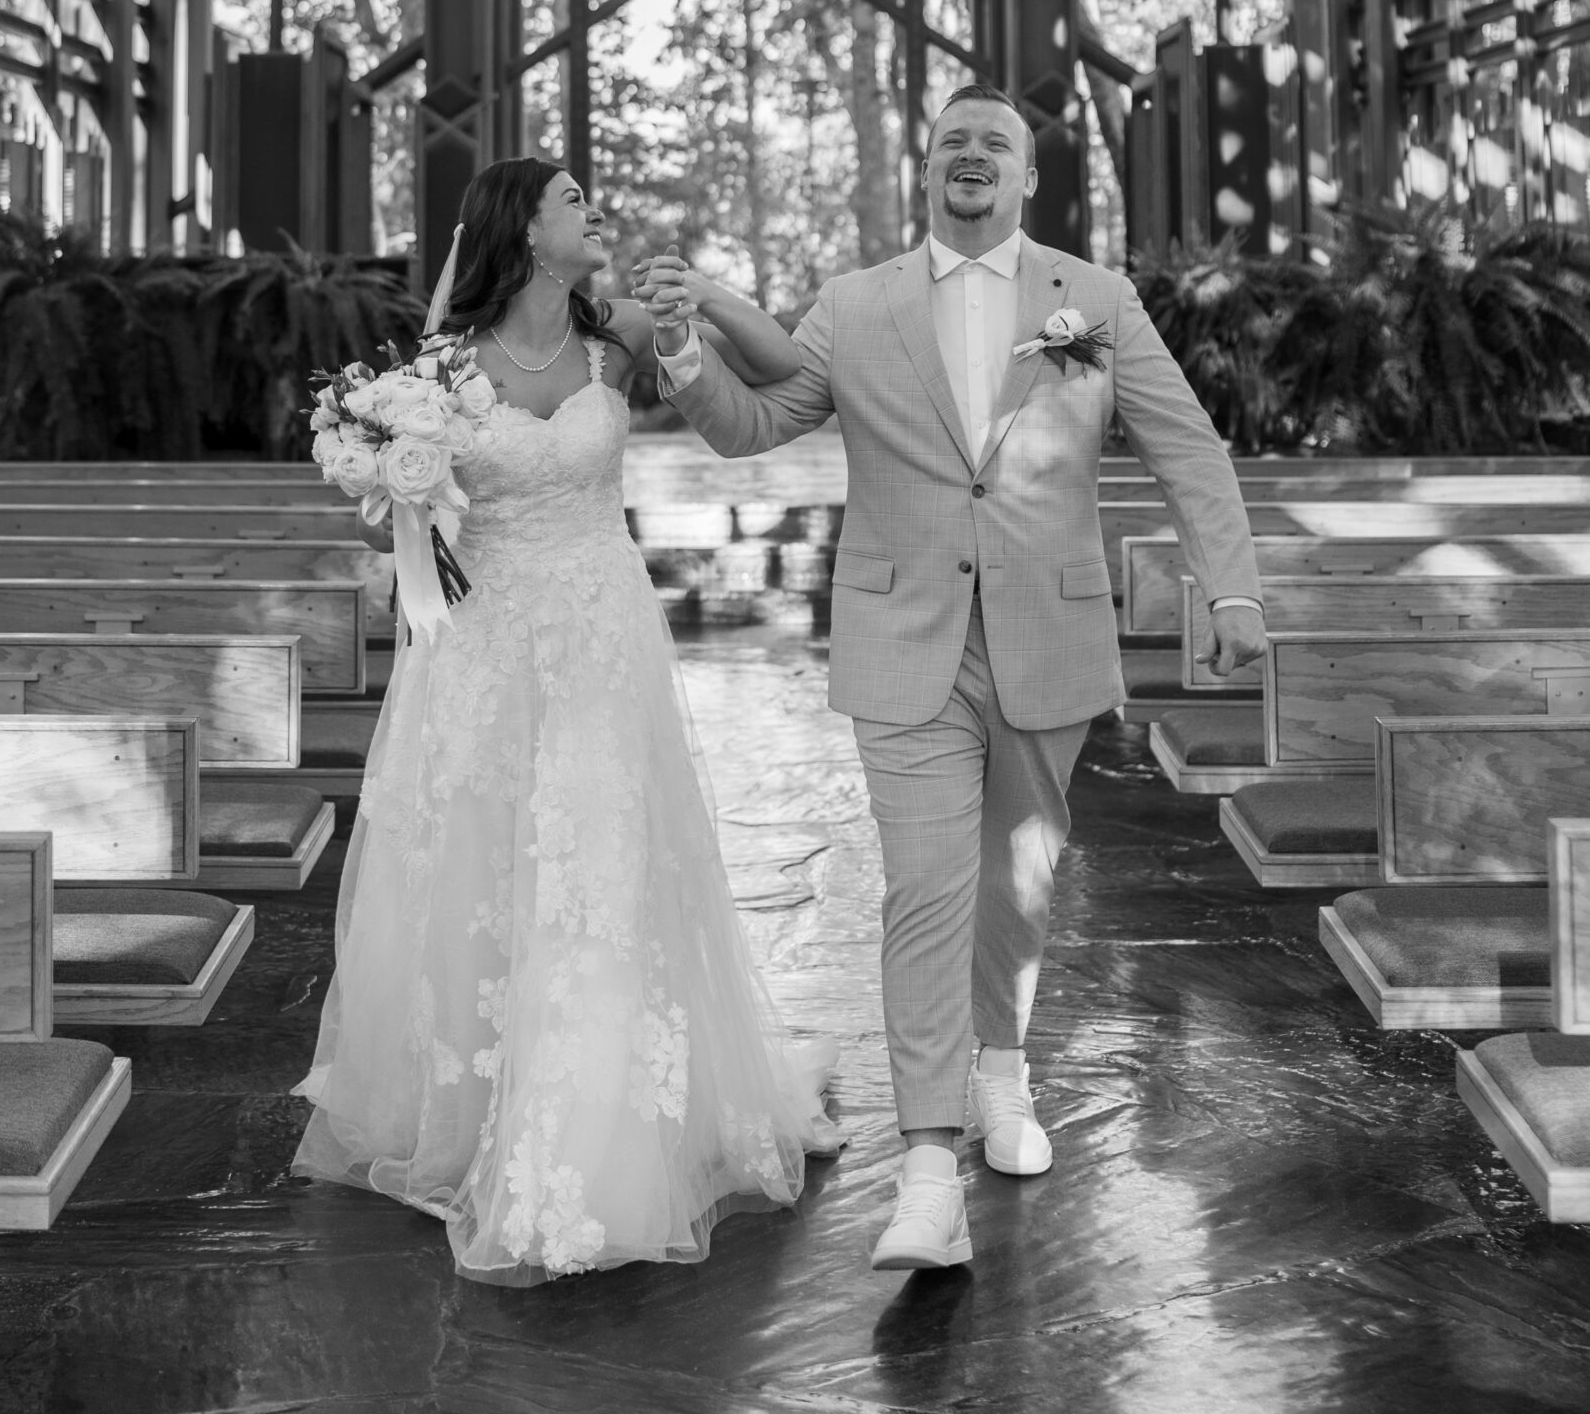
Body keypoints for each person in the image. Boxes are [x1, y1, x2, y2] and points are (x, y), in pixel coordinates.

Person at [648, 83, 1266, 1273]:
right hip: (905, 639)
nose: (971, 154)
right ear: (924, 172)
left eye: (998, 143)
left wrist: (1228, 587)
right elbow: (754, 421)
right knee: (926, 887)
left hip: (1050, 635)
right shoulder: (855, 303)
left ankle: (1003, 1073)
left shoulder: (1094, 299)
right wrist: (684, 346)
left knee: (1020, 882)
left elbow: (1187, 444)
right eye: (952, 141)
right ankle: (928, 1166)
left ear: (1030, 180)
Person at [292, 159, 839, 1283]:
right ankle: (480, 1104)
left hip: (599, 640)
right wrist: (384, 479)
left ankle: (598, 1125)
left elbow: (797, 373)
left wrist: (711, 295)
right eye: (573, 197)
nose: (595, 208)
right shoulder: (437, 370)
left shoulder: (619, 335)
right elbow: (393, 535)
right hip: (485, 652)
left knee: (598, 865)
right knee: (486, 868)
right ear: (525, 230)